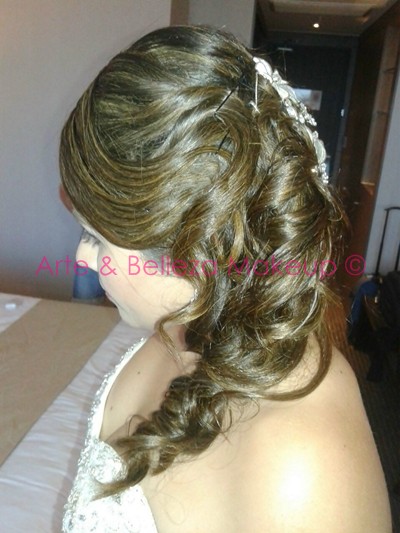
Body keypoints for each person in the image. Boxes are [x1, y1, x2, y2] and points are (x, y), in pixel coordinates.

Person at [59, 25, 391, 532]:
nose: (82, 258)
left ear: (195, 248)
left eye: (96, 237)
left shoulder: (303, 467)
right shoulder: (181, 328)